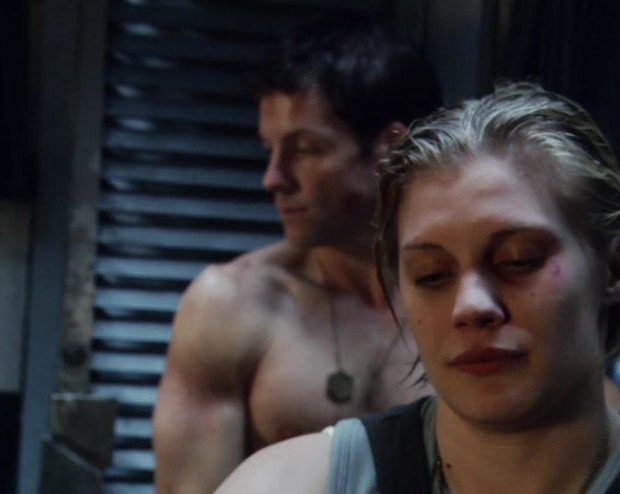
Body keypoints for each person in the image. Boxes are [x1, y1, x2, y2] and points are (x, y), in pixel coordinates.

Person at [216, 83, 620, 493]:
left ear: (617, 267)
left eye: (518, 261)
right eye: (432, 275)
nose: (471, 306)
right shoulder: (291, 484)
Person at [152, 13, 444, 493]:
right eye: (269, 149)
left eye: (304, 148)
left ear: (391, 148)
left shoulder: (469, 307)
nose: (273, 178)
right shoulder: (231, 305)